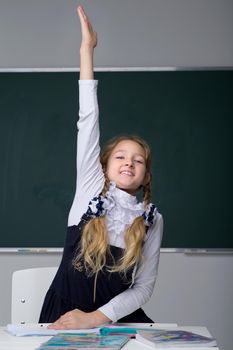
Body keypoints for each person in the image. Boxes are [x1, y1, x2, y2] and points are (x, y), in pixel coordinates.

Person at [39, 5, 163, 330]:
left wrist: (95, 318)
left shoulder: (152, 220)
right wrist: (86, 51)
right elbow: (88, 120)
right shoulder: (91, 189)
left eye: (138, 160)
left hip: (112, 319)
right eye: (121, 156)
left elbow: (143, 287)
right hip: (64, 315)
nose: (129, 163)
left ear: (146, 175)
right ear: (104, 166)